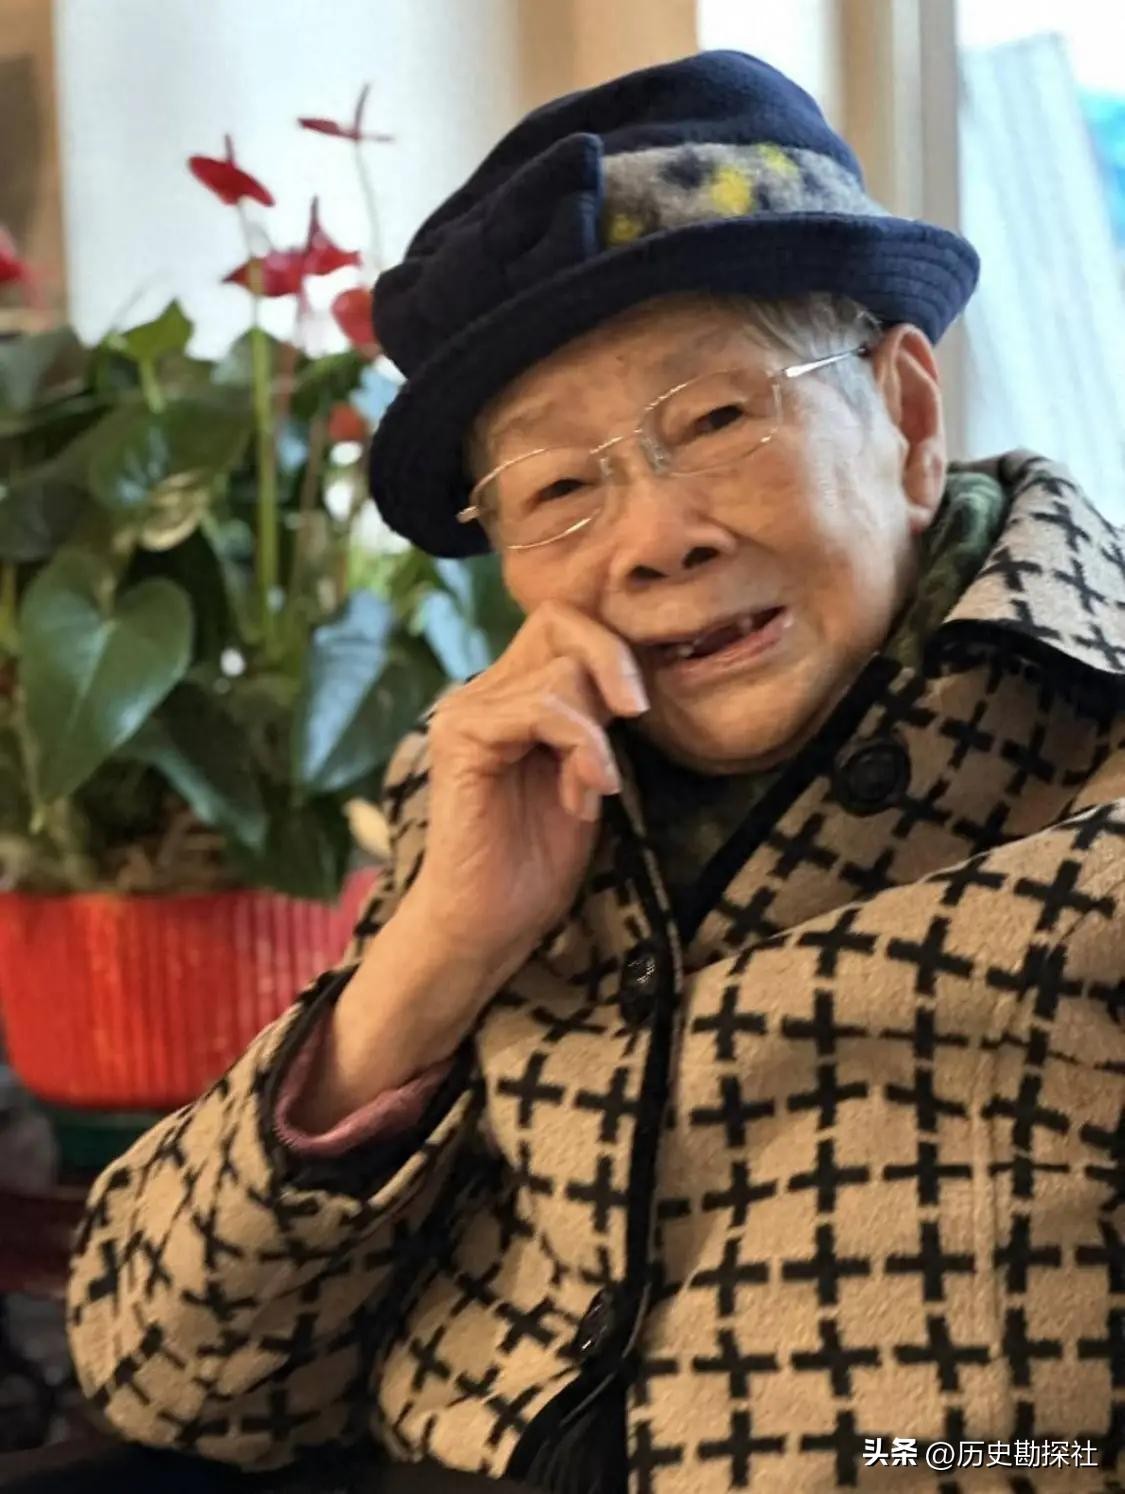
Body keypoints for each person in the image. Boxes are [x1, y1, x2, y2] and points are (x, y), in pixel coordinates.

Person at [66, 50, 1124, 1493]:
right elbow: (162, 1374)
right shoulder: (512, 783)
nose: (654, 539)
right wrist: (434, 957)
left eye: (718, 420)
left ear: (908, 418)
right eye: (559, 488)